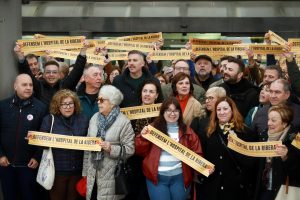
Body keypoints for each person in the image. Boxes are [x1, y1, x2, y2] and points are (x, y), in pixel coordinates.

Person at [135, 97, 203, 200]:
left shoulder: (188, 131)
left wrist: (204, 167)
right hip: (157, 177)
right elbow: (140, 151)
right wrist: (143, 138)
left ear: (180, 113)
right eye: (168, 110)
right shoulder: (152, 129)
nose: (172, 114)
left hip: (180, 177)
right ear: (163, 112)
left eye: (176, 110)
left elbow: (197, 153)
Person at [82, 85, 135, 200]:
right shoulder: (94, 118)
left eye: (102, 100)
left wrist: (111, 149)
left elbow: (130, 150)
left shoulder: (124, 122)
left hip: (111, 176)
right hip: (92, 175)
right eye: (98, 99)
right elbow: (87, 147)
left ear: (112, 102)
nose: (98, 103)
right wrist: (85, 173)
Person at [0, 74, 47, 200]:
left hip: (29, 167)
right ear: (15, 86)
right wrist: (1, 155)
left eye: (30, 85)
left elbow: (45, 136)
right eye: (24, 84)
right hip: (6, 166)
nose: (28, 88)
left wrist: (37, 157)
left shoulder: (41, 108)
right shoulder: (3, 106)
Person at [200, 97, 257, 200]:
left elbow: (251, 162)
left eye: (225, 109)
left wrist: (235, 143)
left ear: (232, 110)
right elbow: (202, 156)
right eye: (219, 109)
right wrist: (204, 170)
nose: (222, 112)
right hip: (212, 187)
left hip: (235, 189)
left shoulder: (245, 132)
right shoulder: (208, 132)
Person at [39, 89, 89, 200]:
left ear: (75, 105)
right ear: (57, 106)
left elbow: (89, 142)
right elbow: (42, 146)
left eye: (70, 103)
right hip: (57, 172)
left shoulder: (84, 119)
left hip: (77, 171)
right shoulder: (49, 120)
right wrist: (37, 139)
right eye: (64, 104)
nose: (68, 107)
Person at [14, 42, 89, 106]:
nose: (51, 75)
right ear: (44, 74)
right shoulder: (39, 86)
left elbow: (76, 72)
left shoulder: (65, 85)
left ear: (59, 74)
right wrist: (21, 57)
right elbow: (27, 73)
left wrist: (83, 52)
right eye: (48, 72)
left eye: (54, 72)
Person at [126, 79, 164, 200]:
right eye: (145, 91)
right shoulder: (130, 111)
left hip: (152, 160)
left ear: (157, 95)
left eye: (151, 92)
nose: (147, 94)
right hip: (131, 159)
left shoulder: (162, 115)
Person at [254, 104, 300, 200]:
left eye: (273, 120)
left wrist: (286, 157)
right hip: (264, 190)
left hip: (283, 192)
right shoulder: (264, 135)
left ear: (284, 123)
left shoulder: (297, 139)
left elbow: (297, 172)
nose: (269, 123)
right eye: (268, 119)